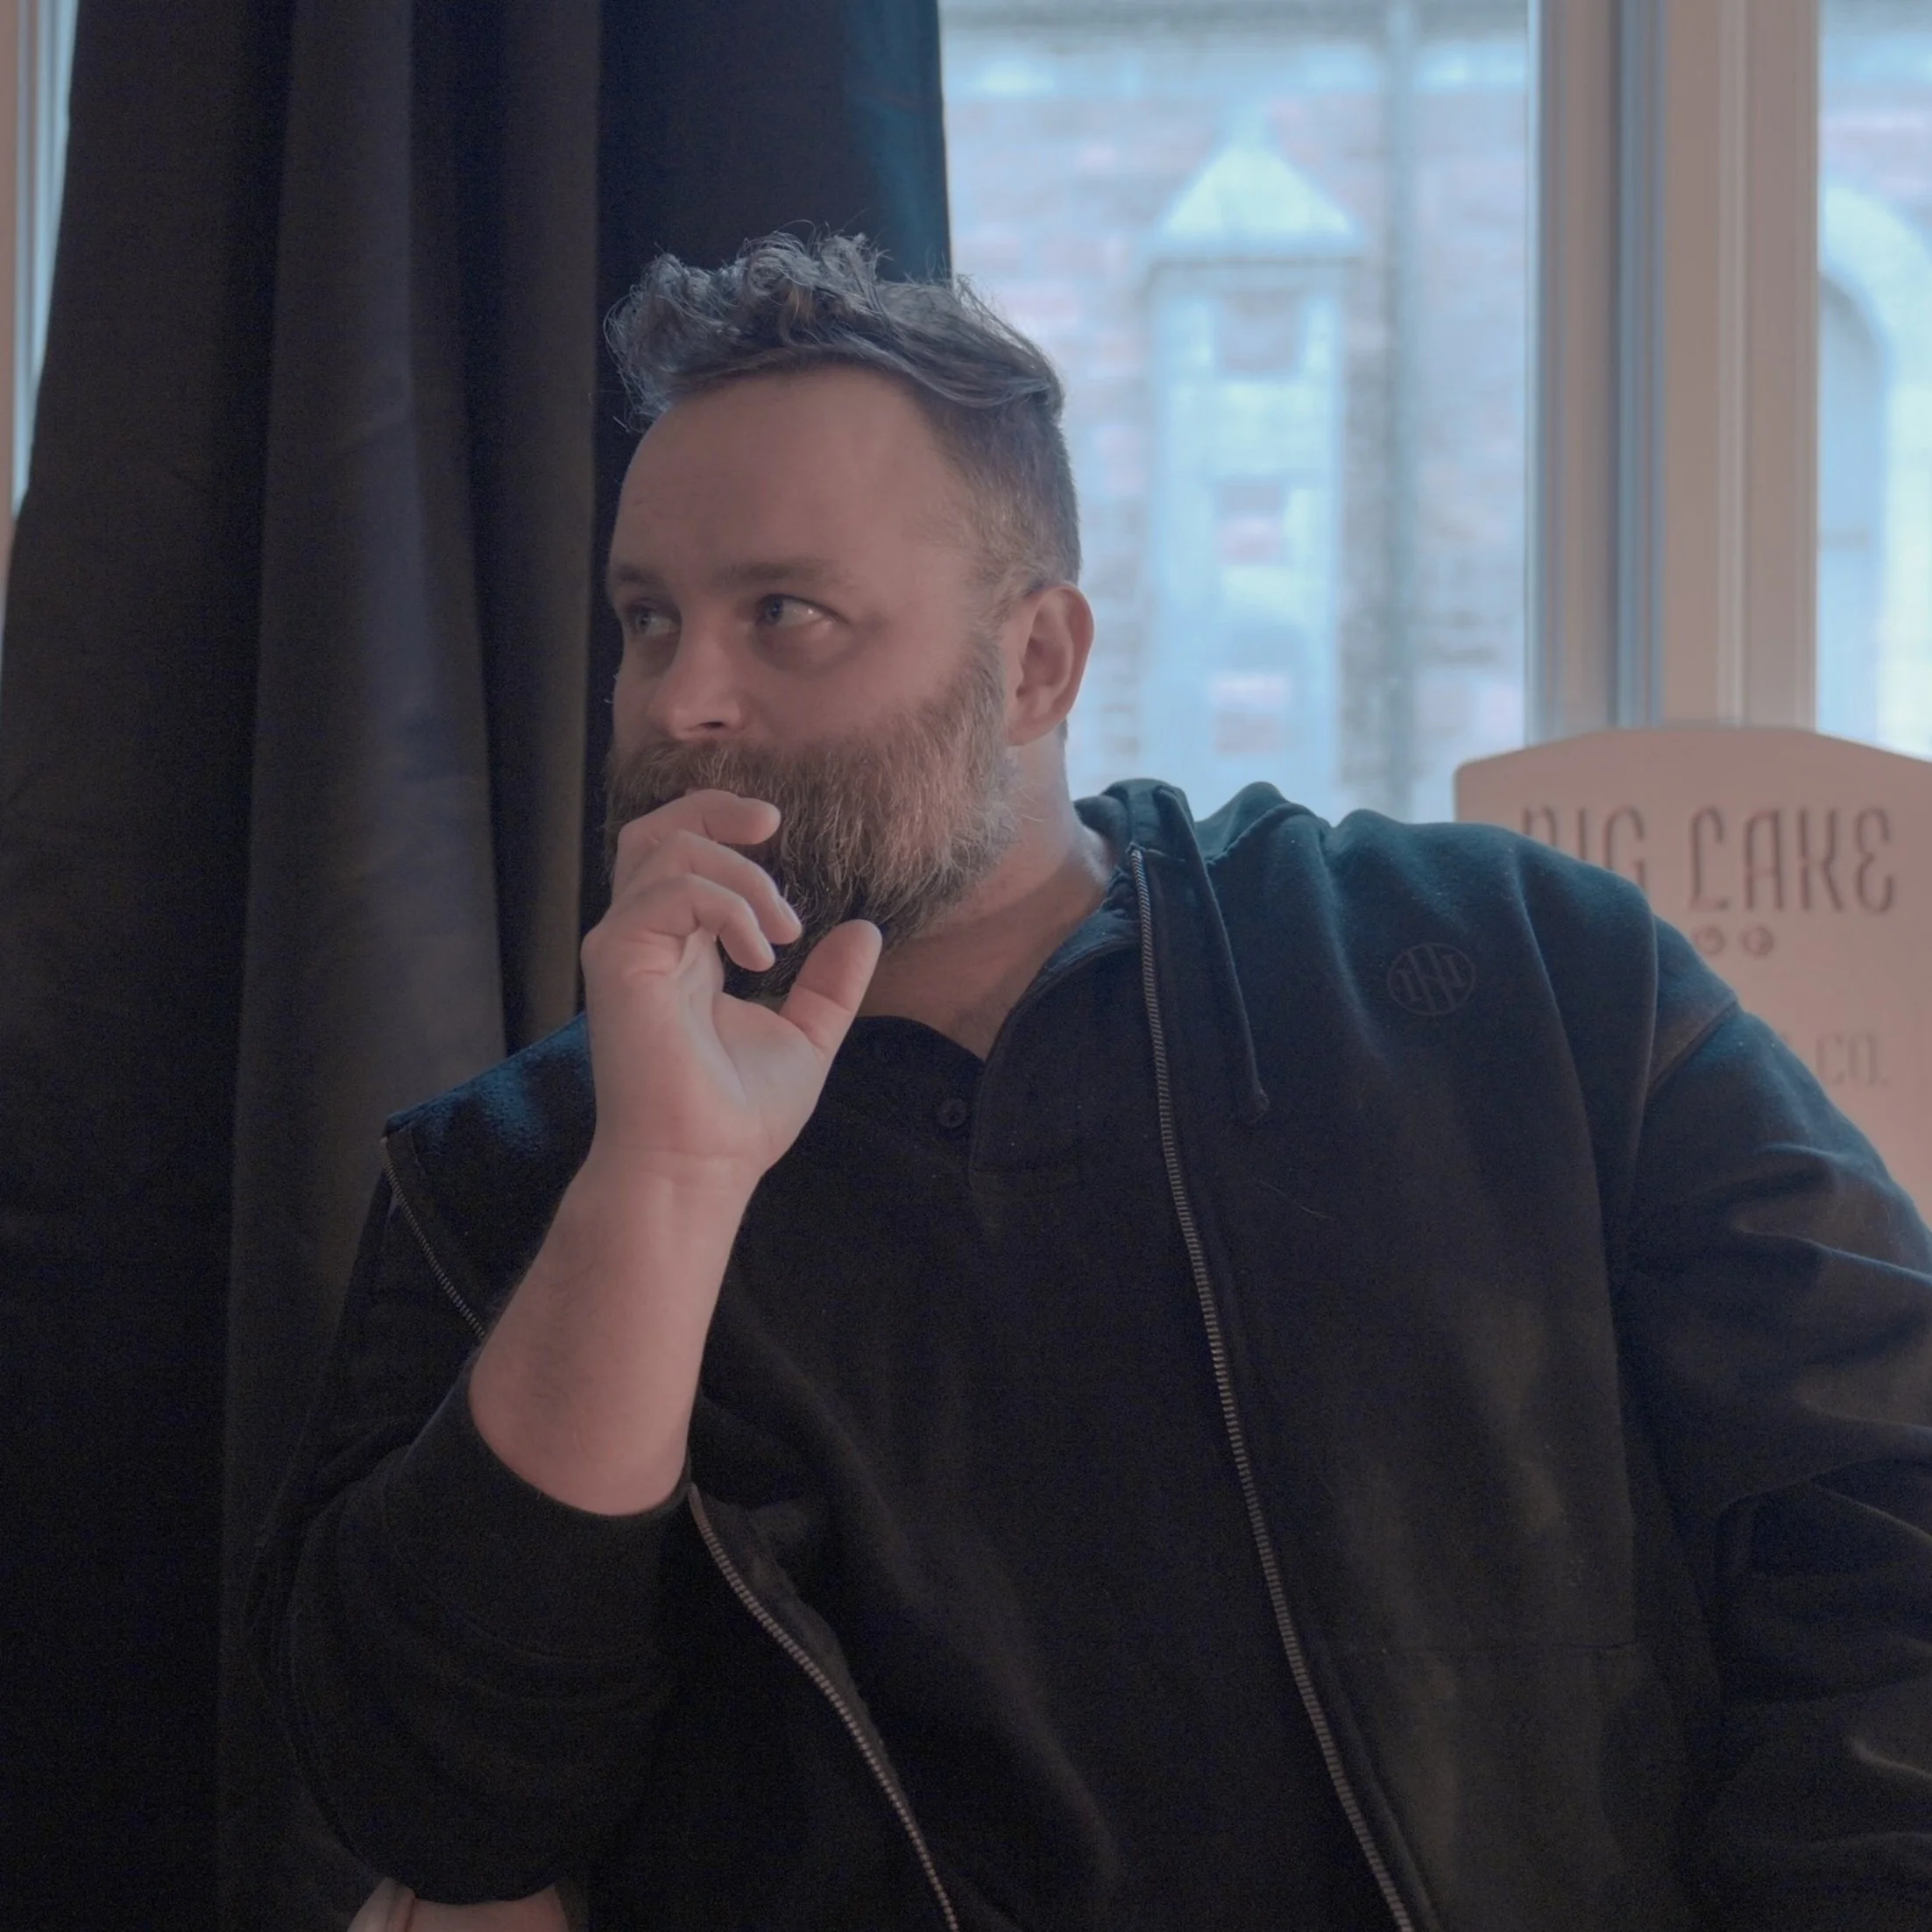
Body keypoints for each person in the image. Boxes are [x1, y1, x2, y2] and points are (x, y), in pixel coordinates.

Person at [250, 233, 1932, 1932]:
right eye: (646, 620)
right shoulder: (515, 1180)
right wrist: (658, 1192)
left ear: (1038, 663)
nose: (685, 696)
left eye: (785, 614)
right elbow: (436, 1804)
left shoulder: (1515, 975)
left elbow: (1890, 1503)